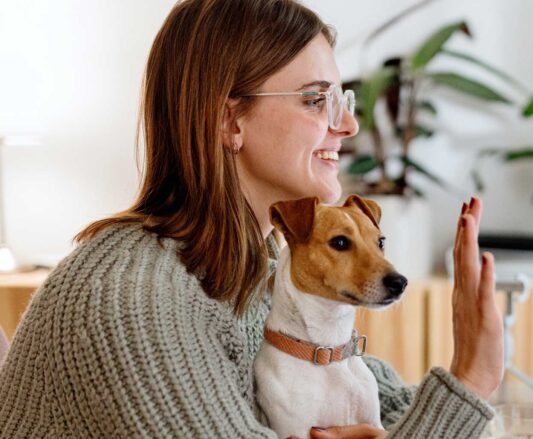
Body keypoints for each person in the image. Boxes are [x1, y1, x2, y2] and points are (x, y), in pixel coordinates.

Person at [0, 1, 503, 437]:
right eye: (315, 100)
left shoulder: (259, 272)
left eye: (341, 100)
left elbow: (388, 408)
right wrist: (469, 379)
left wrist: (458, 390)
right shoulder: (135, 297)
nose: (348, 125)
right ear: (229, 120)